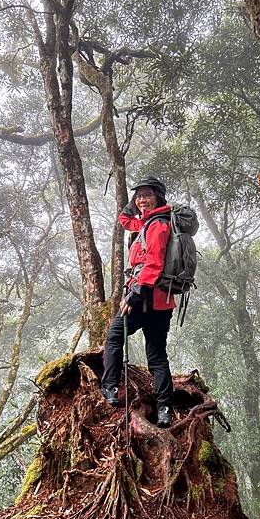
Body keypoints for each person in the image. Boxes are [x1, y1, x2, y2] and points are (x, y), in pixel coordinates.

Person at [101, 176, 175, 428]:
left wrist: (133, 296)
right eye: (139, 195)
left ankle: (110, 388)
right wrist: (132, 205)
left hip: (144, 299)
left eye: (147, 195)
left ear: (159, 197)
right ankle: (164, 409)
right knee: (157, 355)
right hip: (161, 303)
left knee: (114, 336)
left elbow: (153, 264)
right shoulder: (146, 222)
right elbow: (125, 221)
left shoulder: (157, 226)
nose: (142, 199)